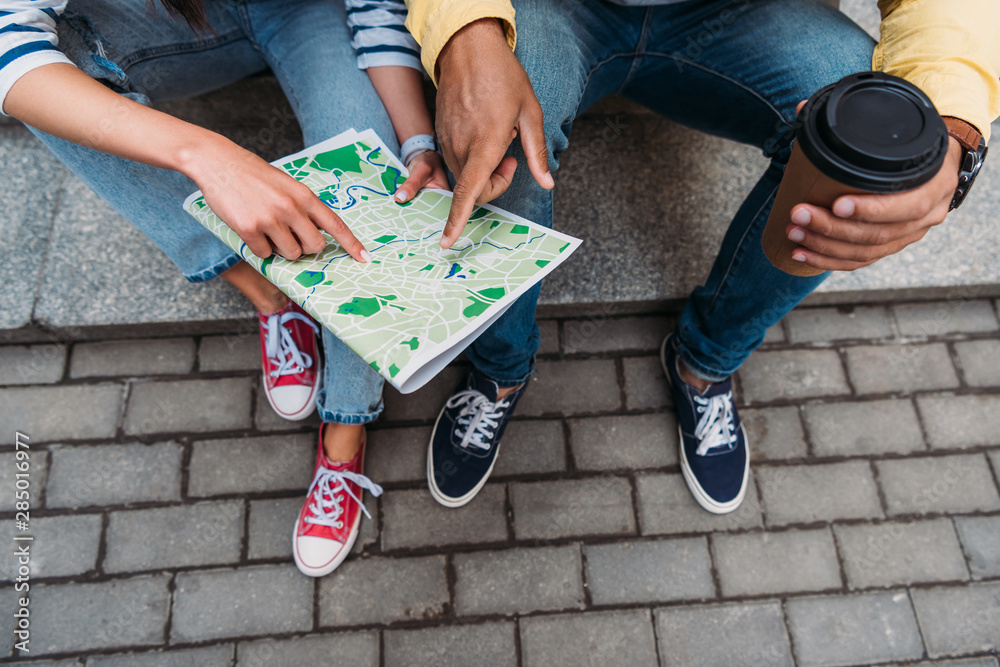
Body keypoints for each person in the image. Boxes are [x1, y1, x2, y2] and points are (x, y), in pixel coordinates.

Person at [398, 0, 1000, 512]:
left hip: (738, 13)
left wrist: (951, 126)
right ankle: (500, 372)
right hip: (549, 8)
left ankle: (706, 362)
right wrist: (466, 25)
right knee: (498, 145)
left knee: (860, 160)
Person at [0, 0, 443, 576]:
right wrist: (208, 156)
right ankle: (268, 290)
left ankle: (346, 426)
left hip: (313, 13)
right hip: (177, 15)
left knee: (370, 188)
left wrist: (417, 142)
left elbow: (377, 6)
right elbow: (9, 42)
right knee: (48, 84)